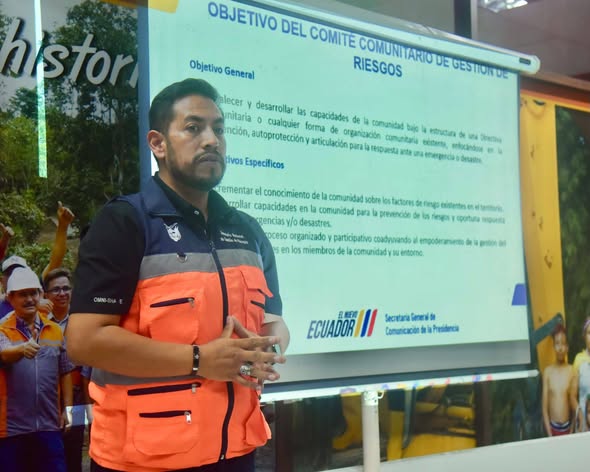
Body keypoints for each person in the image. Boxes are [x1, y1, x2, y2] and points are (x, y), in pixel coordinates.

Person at [66, 78, 289, 472]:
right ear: (158, 144)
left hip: (236, 453)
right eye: (193, 128)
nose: (211, 140)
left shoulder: (247, 230)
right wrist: (200, 359)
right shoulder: (124, 223)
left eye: (219, 129)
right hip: (144, 459)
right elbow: (84, 341)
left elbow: (273, 322)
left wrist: (262, 352)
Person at [0, 266, 74, 472]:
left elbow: (66, 371)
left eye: (33, 293)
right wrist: (21, 349)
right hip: (12, 429)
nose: (29, 299)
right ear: (11, 298)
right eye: (23, 294)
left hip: (49, 425)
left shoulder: (55, 330)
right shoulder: (3, 329)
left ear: (41, 295)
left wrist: (68, 410)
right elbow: (3, 353)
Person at [45, 268, 90, 472]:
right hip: (48, 396)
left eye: (66, 288)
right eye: (56, 290)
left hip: (78, 393)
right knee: (49, 450)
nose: (62, 293)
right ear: (46, 294)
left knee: (74, 446)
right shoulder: (39, 320)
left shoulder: (82, 319)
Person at [0, 201, 75, 318]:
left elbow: (56, 260)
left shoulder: (37, 295)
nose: (15, 276)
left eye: (20, 271)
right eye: (10, 273)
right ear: (2, 280)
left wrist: (63, 226)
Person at [542, 323, 573, 436]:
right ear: (553, 347)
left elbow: (574, 405)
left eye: (563, 344)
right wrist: (550, 435)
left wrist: (572, 432)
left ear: (567, 347)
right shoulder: (547, 372)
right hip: (552, 429)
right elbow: (544, 408)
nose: (560, 348)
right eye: (557, 343)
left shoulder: (571, 371)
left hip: (568, 430)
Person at [570, 317, 590, 432]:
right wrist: (580, 415)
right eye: (589, 333)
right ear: (584, 336)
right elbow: (572, 395)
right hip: (584, 423)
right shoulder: (579, 359)